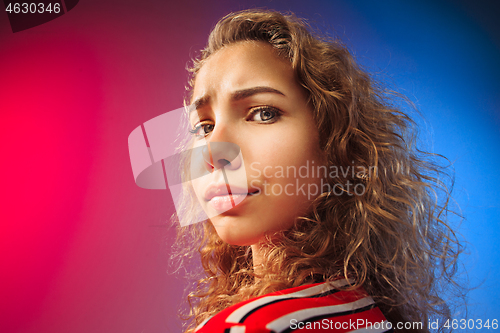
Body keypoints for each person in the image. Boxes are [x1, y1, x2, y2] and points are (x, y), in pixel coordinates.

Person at [173, 9, 462, 333]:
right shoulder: (369, 315)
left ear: (335, 142)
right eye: (204, 127)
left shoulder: (250, 326)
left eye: (263, 113)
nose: (214, 151)